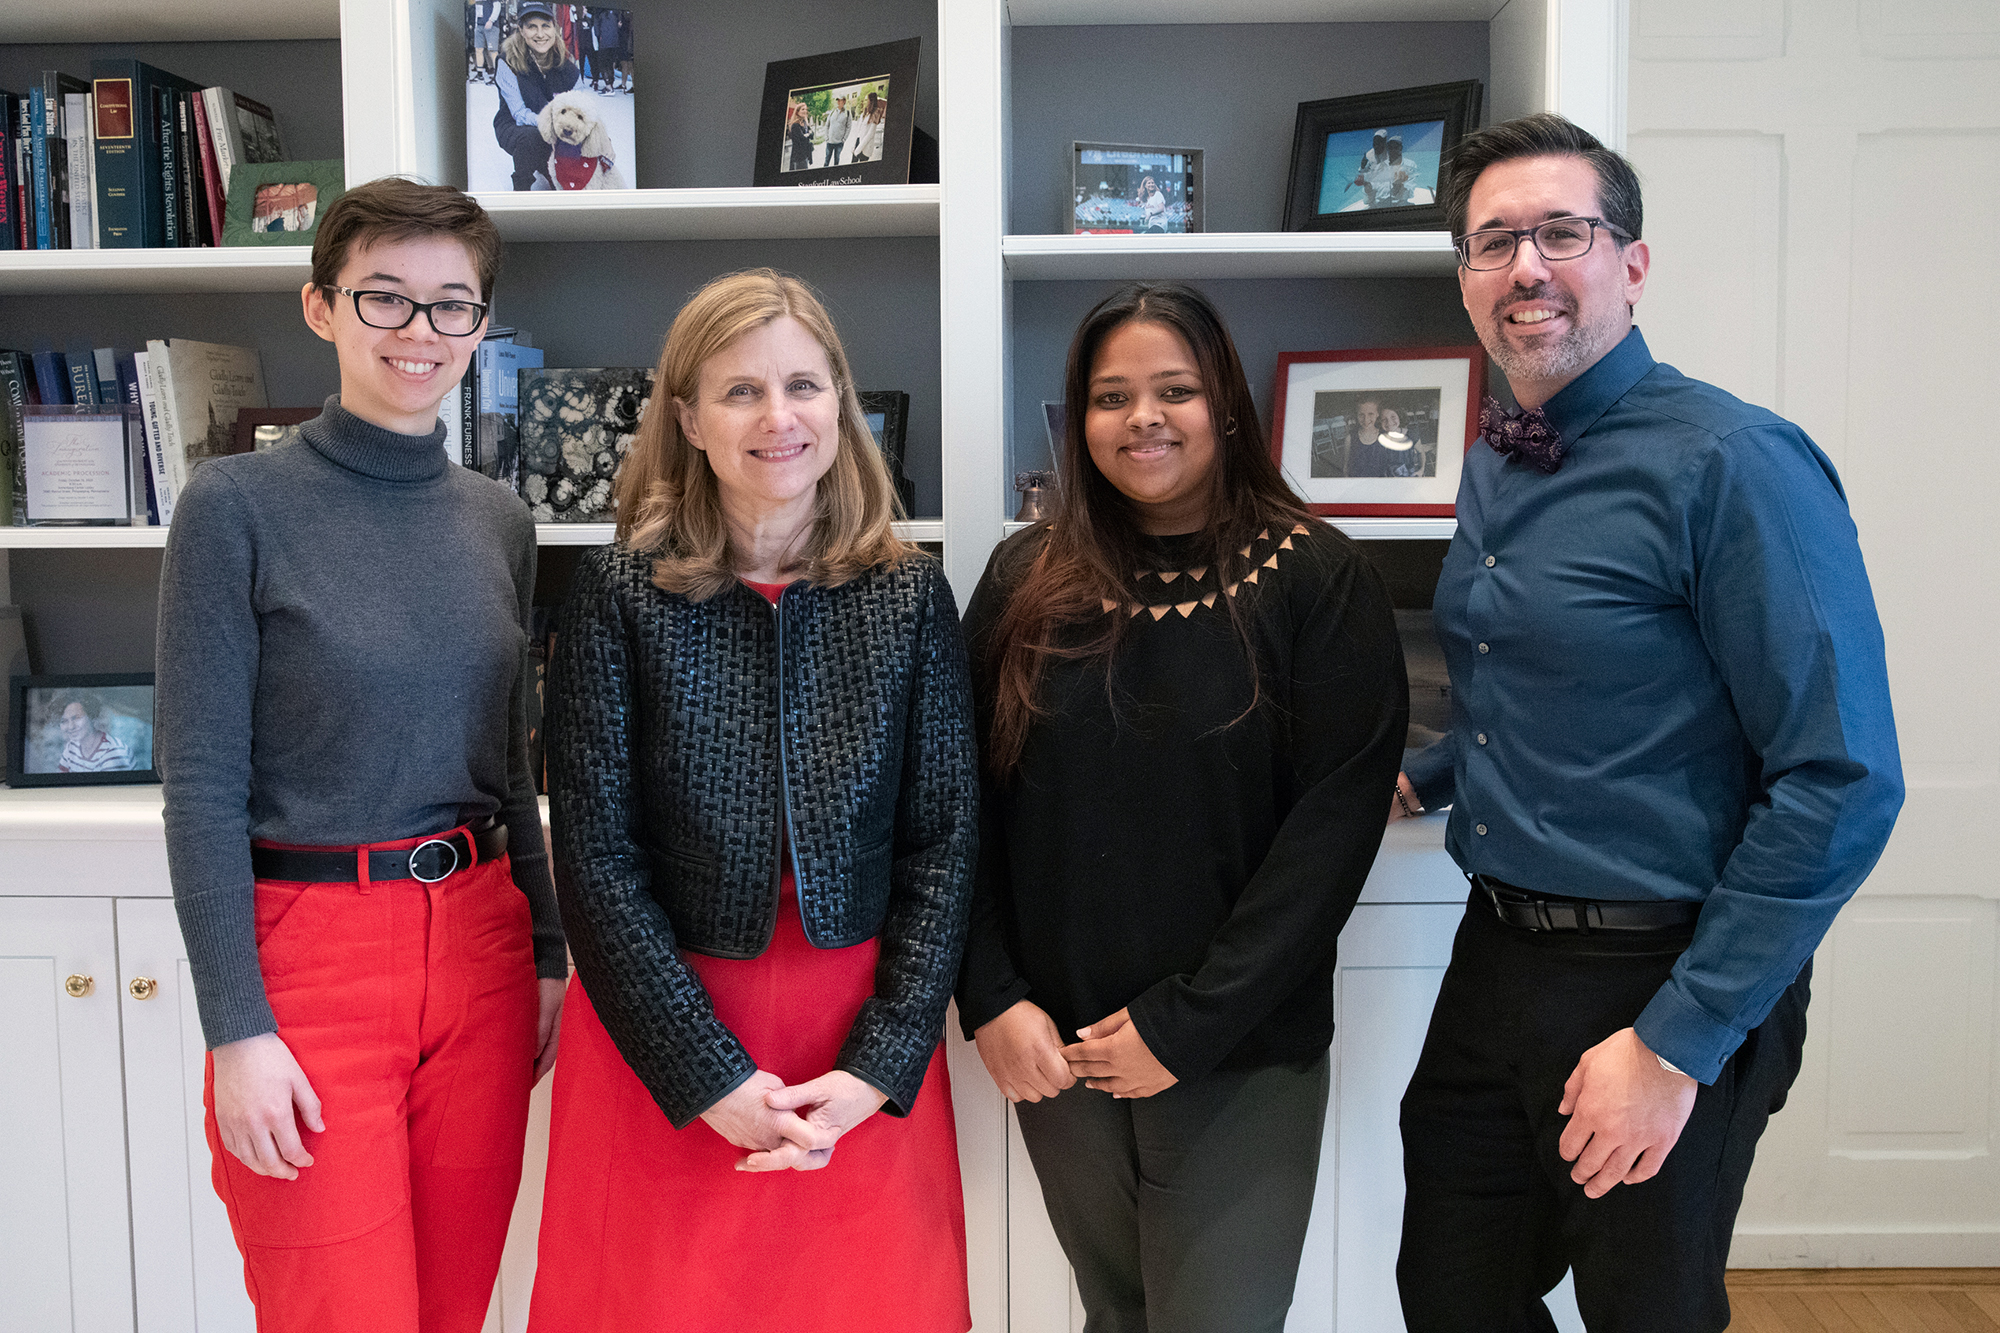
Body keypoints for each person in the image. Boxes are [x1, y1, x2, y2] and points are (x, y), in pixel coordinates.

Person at [1391, 112, 1903, 1332]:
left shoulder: (1734, 462)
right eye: (1492, 240)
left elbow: (1839, 776)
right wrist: (1434, 771)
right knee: (1448, 1293)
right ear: (1462, 275)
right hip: (1497, 950)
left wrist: (1672, 1044)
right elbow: (1558, 691)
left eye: (1560, 232)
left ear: (1630, 261)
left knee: (1646, 1313)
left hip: (1665, 966)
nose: (1525, 267)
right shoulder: (1498, 461)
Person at [530, 268, 978, 1333]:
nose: (778, 418)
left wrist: (878, 1064)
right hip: (663, 1030)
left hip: (853, 1039)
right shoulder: (614, 593)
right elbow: (594, 856)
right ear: (684, 418)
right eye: (738, 392)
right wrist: (706, 1077)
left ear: (839, 403)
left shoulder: (909, 594)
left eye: (803, 386)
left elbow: (946, 839)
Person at [155, 178, 567, 1333]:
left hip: (481, 943)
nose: (417, 332)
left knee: (452, 1309)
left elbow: (509, 758)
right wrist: (236, 1029)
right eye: (383, 297)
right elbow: (197, 785)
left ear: (482, 327)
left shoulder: (496, 519)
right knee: (339, 1311)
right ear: (321, 307)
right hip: (309, 959)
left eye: (450, 305)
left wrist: (544, 953)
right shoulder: (234, 506)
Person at [957, 281, 1407, 1333]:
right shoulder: (1023, 576)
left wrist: (1186, 1022)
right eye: (1110, 397)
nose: (1142, 417)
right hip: (1053, 1044)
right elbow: (955, 803)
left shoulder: (1320, 579)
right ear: (1079, 420)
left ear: (1227, 404)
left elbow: (1328, 839)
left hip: (1240, 1044)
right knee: (1116, 1317)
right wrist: (988, 993)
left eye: (1175, 390)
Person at [492, 0, 580, 191]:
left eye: (545, 26)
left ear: (554, 29)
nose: (540, 34)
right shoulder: (507, 62)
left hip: (554, 125)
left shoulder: (567, 65)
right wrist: (556, 125)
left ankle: (547, 165)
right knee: (532, 137)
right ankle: (522, 186)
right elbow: (519, 113)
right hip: (515, 126)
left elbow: (581, 105)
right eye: (532, 27)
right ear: (521, 30)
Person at [55, 694, 134, 773]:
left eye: (77, 718)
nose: (71, 726)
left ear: (92, 717)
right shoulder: (71, 746)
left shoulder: (112, 752)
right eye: (64, 721)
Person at [822, 95, 852, 167]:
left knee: (836, 161)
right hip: (830, 142)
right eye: (837, 100)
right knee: (826, 161)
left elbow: (849, 127)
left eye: (840, 100)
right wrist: (826, 137)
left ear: (844, 101)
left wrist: (844, 139)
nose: (838, 102)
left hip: (839, 143)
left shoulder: (847, 113)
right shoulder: (832, 112)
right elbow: (827, 125)